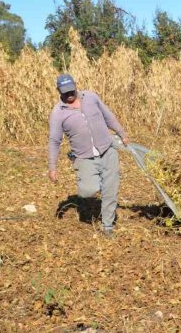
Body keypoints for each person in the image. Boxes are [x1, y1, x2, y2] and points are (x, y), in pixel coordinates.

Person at [47, 74, 129, 237]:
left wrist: (122, 133)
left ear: (76, 86)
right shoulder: (58, 112)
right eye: (65, 92)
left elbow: (108, 116)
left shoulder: (91, 97)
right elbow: (54, 141)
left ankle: (107, 226)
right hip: (83, 157)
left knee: (110, 190)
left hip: (107, 150)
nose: (69, 94)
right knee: (87, 191)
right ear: (58, 91)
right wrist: (52, 167)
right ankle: (93, 182)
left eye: (71, 90)